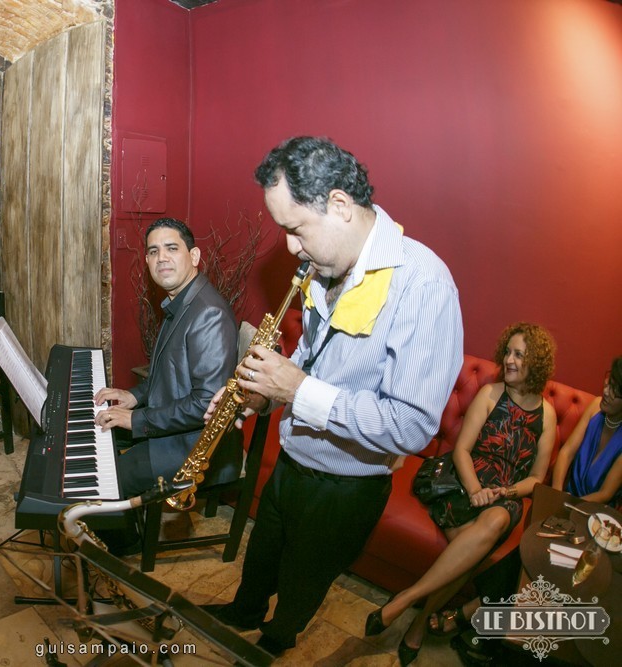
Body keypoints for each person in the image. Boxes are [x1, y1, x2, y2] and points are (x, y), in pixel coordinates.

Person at [203, 137, 464, 657]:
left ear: (340, 205)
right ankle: (245, 610)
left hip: (346, 487)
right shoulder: (324, 270)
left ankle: (276, 640)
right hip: (293, 461)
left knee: (303, 580)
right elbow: (310, 358)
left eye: (296, 229)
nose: (290, 247)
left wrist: (298, 389)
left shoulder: (423, 284)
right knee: (262, 556)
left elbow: (412, 426)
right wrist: (263, 396)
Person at [365, 322, 557, 665]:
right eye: (508, 352)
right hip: (464, 481)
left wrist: (505, 491)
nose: (509, 360)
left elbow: (537, 479)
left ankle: (405, 600)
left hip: (505, 496)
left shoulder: (548, 415)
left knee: (497, 519)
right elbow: (462, 450)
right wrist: (475, 490)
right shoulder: (490, 394)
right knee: (470, 555)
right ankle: (418, 625)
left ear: (536, 363)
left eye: (519, 355)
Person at [94, 217, 240, 500]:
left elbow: (205, 404)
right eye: (153, 251)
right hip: (174, 430)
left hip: (193, 448)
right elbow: (169, 374)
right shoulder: (182, 300)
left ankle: (118, 529)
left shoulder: (208, 313)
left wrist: (137, 419)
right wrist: (134, 396)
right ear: (147, 261)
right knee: (96, 431)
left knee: (105, 478)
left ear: (194, 256)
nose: (161, 257)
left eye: (172, 248)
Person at [552, 355, 622, 509]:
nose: (606, 392)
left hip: (594, 511)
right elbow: (566, 452)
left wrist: (570, 506)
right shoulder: (595, 406)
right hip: (566, 498)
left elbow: (605, 494)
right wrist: (556, 495)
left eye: (615, 391)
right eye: (609, 383)